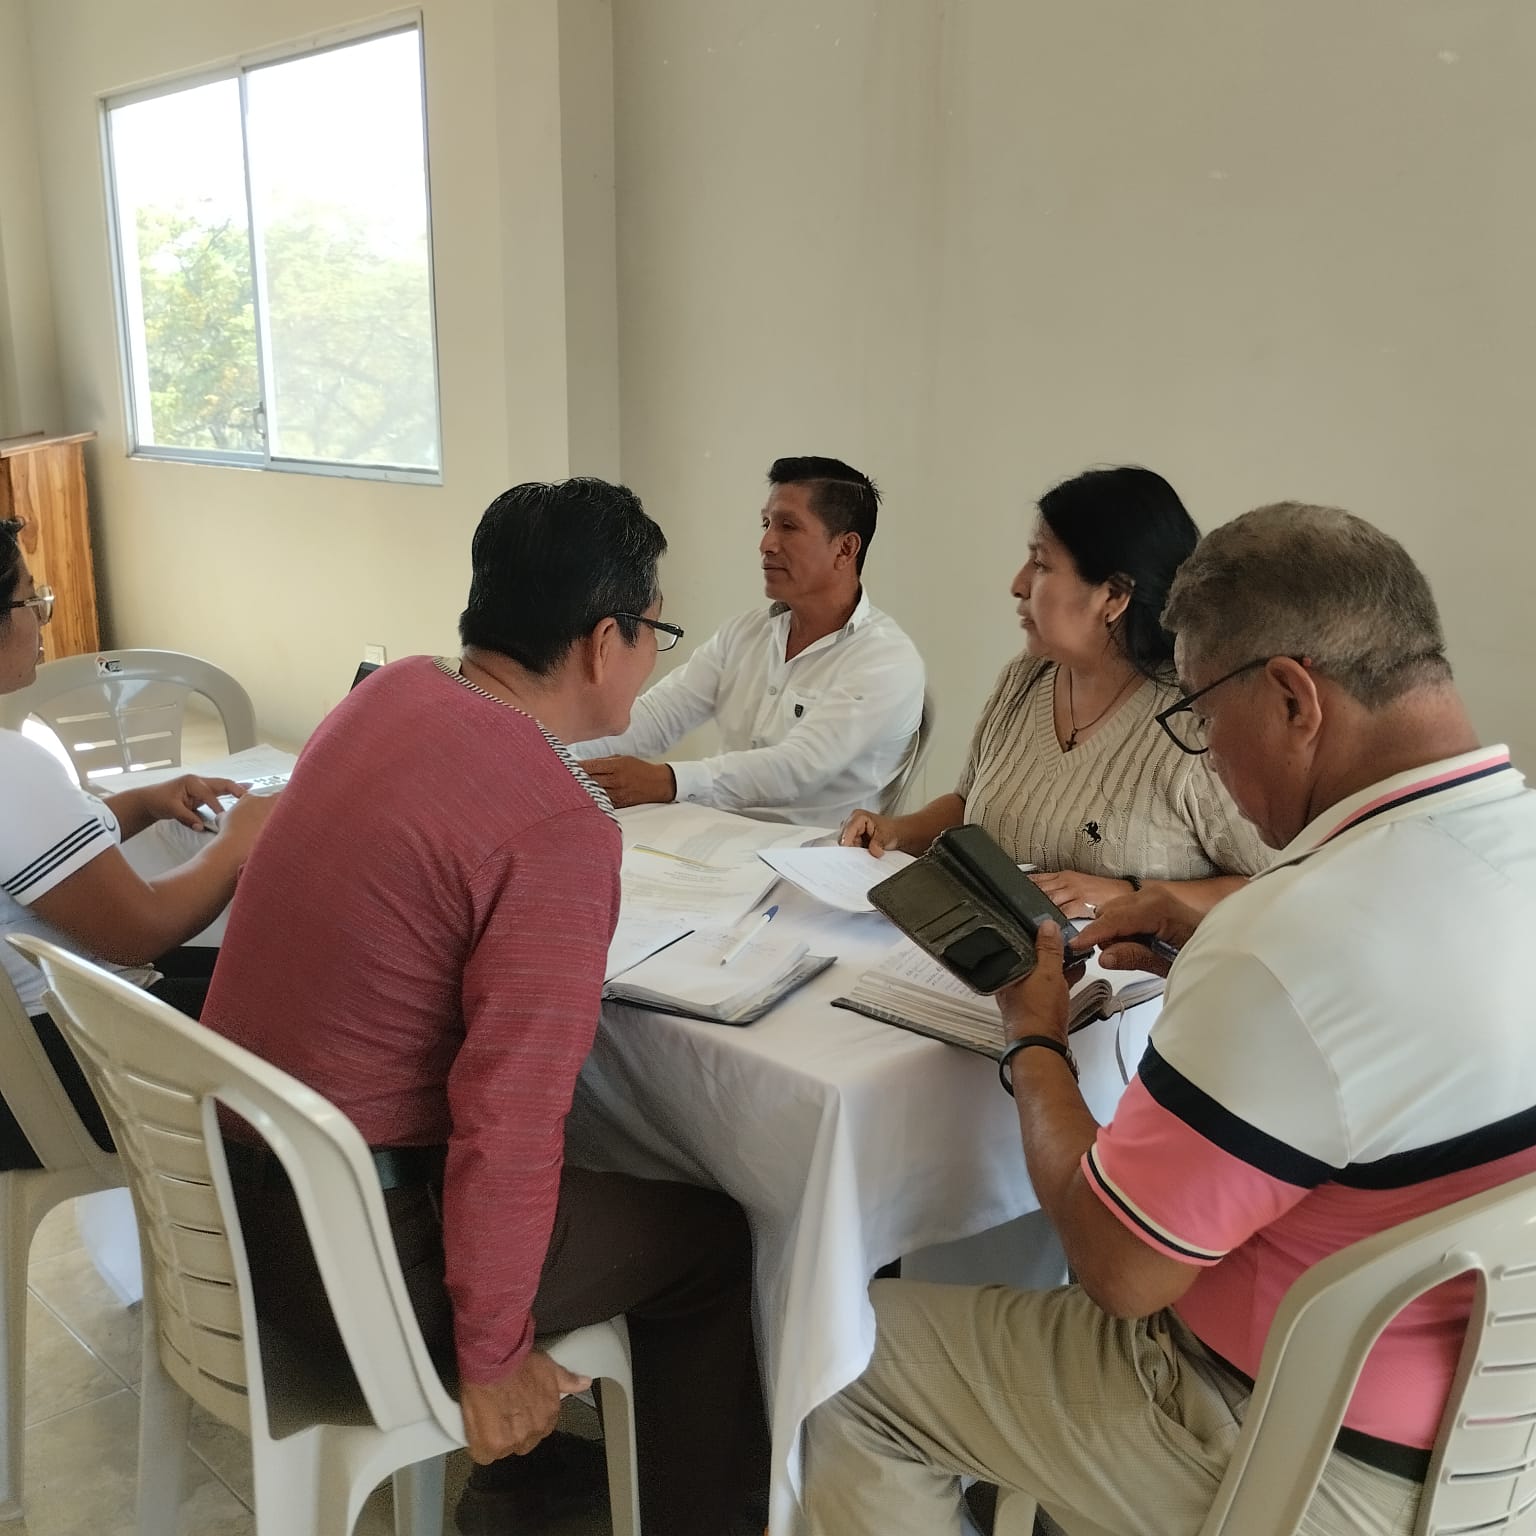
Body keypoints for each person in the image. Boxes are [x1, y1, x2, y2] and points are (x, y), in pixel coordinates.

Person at [804, 501, 1536, 1536]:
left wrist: (1034, 1034)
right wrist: (1211, 955)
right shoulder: (1506, 846)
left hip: (1293, 1448)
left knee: (842, 1360)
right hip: (1496, 1442)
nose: (1210, 756)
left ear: (1292, 697)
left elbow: (1118, 1268)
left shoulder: (1288, 939)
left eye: (1199, 715)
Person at [201, 480, 766, 1536]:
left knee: (586, 1168)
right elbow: (507, 1120)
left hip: (221, 1213)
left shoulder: (388, 695)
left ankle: (533, 1482)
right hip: (341, 1265)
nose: (653, 655)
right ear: (604, 641)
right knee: (710, 1238)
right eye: (655, 631)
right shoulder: (555, 825)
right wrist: (495, 1359)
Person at [841, 465, 1268, 915]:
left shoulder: (1198, 720)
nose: (1018, 585)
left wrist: (1126, 894)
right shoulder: (1024, 678)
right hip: (987, 944)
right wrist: (896, 831)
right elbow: (970, 804)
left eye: (1042, 564)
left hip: (1121, 960)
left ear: (1113, 596)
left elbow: (1264, 887)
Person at [0, 515, 275, 1168]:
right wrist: (239, 842)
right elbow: (138, 933)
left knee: (261, 974)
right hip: (71, 1068)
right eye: (31, 601)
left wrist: (144, 803)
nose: (42, 620)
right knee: (311, 1016)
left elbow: (42, 865)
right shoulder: (12, 767)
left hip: (26, 1070)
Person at [571, 455, 925, 827]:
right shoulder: (745, 633)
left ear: (845, 549)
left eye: (788, 526)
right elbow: (658, 718)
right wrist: (558, 751)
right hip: (719, 838)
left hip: (817, 851)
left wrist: (666, 781)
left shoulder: (885, 659)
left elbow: (797, 767)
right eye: (766, 523)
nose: (766, 543)